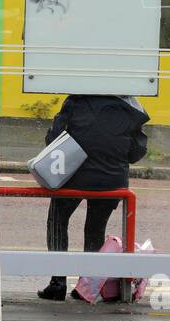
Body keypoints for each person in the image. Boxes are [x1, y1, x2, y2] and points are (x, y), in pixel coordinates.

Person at [37, 94, 149, 301]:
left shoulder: (76, 101)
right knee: (95, 229)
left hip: (72, 177)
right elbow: (136, 152)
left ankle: (57, 282)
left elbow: (53, 140)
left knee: (57, 220)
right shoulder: (130, 107)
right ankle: (85, 287)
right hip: (111, 181)